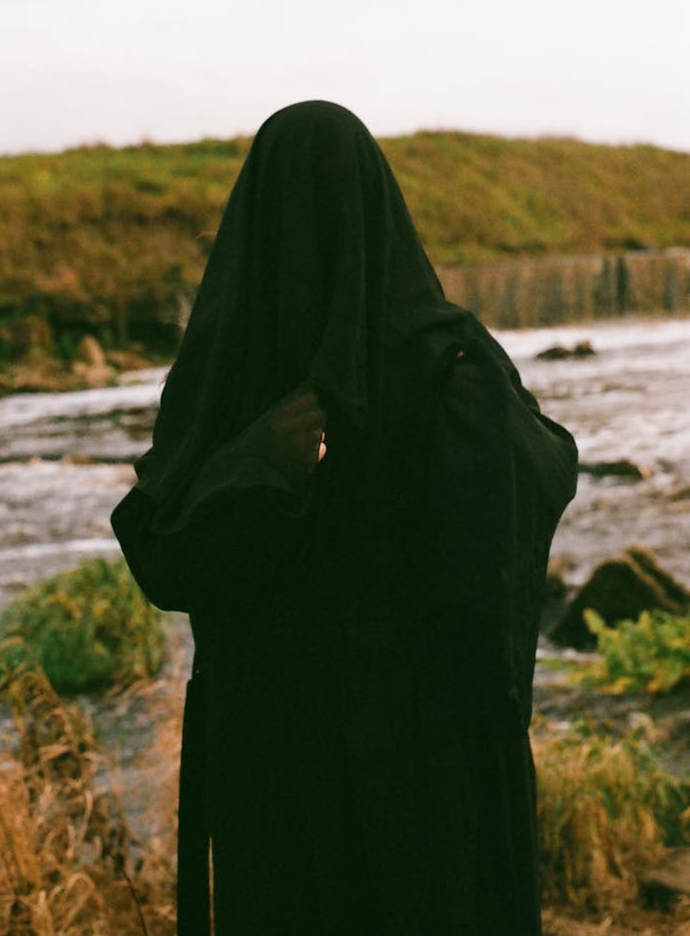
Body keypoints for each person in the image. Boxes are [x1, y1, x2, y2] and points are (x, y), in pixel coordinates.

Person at [111, 100, 578, 936]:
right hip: (413, 757)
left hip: (284, 761)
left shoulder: (226, 377)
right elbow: (535, 483)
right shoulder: (444, 363)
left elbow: (162, 546)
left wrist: (261, 465)